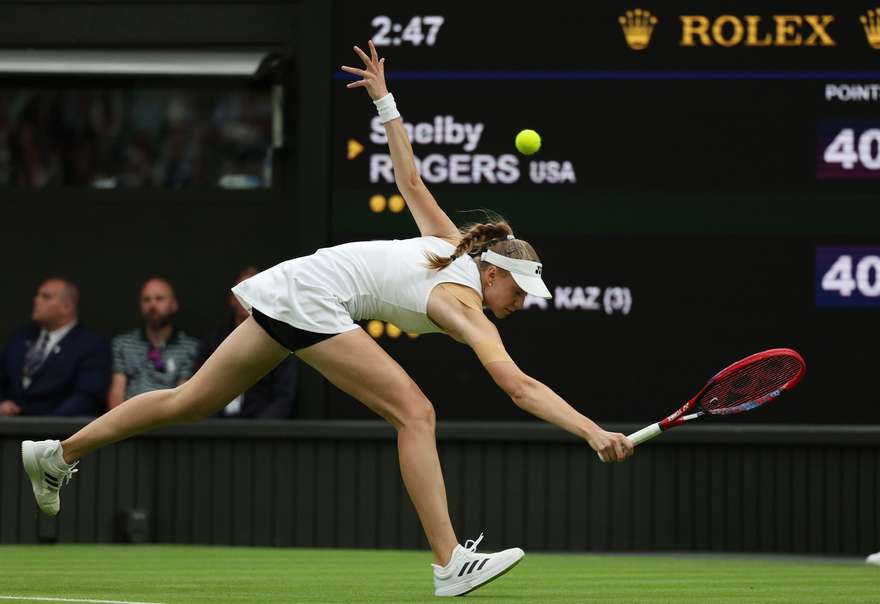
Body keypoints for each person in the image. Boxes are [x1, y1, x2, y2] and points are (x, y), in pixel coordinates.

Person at [21, 41, 634, 597]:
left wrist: (385, 101)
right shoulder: (463, 301)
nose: (521, 303)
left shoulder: (453, 247)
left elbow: (410, 178)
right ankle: (449, 562)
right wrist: (590, 430)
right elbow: (517, 384)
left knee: (189, 400)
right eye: (520, 292)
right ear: (495, 272)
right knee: (416, 412)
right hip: (314, 298)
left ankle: (58, 453)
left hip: (295, 286)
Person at [196, 266, 299, 419]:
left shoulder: (280, 343)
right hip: (215, 432)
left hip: (260, 433)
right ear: (232, 298)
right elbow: (198, 391)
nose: (247, 296)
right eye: (243, 290)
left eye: (255, 290)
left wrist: (255, 432)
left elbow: (283, 398)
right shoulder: (213, 341)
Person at [0, 278, 110, 416]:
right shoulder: (20, 337)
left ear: (67, 307)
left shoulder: (92, 344)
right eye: (37, 295)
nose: (36, 300)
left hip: (59, 432)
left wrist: (45, 426)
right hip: (8, 429)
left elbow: (87, 396)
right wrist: (3, 403)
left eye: (46, 297)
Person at [107, 278, 198, 408]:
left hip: (170, 420)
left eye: (159, 298)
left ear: (174, 305)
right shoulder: (122, 344)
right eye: (146, 300)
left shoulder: (190, 347)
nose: (152, 305)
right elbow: (117, 393)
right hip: (130, 419)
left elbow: (183, 398)